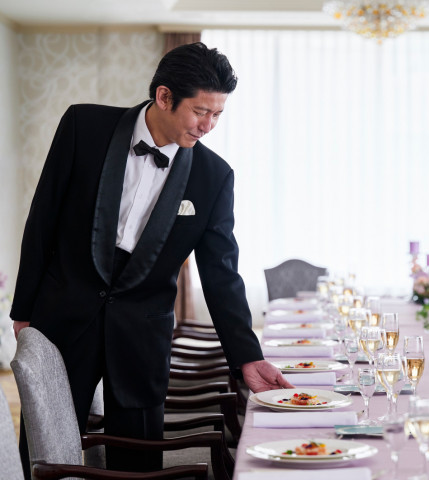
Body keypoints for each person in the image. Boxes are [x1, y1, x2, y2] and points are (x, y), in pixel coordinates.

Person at [11, 42, 293, 476]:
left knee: (140, 465)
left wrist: (247, 357)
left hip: (141, 338)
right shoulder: (83, 126)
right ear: (164, 97)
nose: (209, 125)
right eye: (201, 111)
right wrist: (24, 311)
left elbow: (221, 273)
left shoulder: (213, 177)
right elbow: (43, 217)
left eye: (218, 114)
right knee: (45, 454)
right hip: (64, 318)